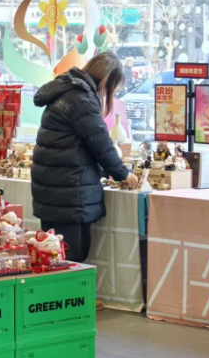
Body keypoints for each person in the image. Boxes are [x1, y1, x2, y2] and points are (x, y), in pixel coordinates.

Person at [31, 52, 139, 263]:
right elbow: (101, 143)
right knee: (71, 258)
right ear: (106, 80)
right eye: (112, 88)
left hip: (52, 189)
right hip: (70, 193)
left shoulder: (65, 90)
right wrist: (122, 173)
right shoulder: (82, 99)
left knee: (51, 254)